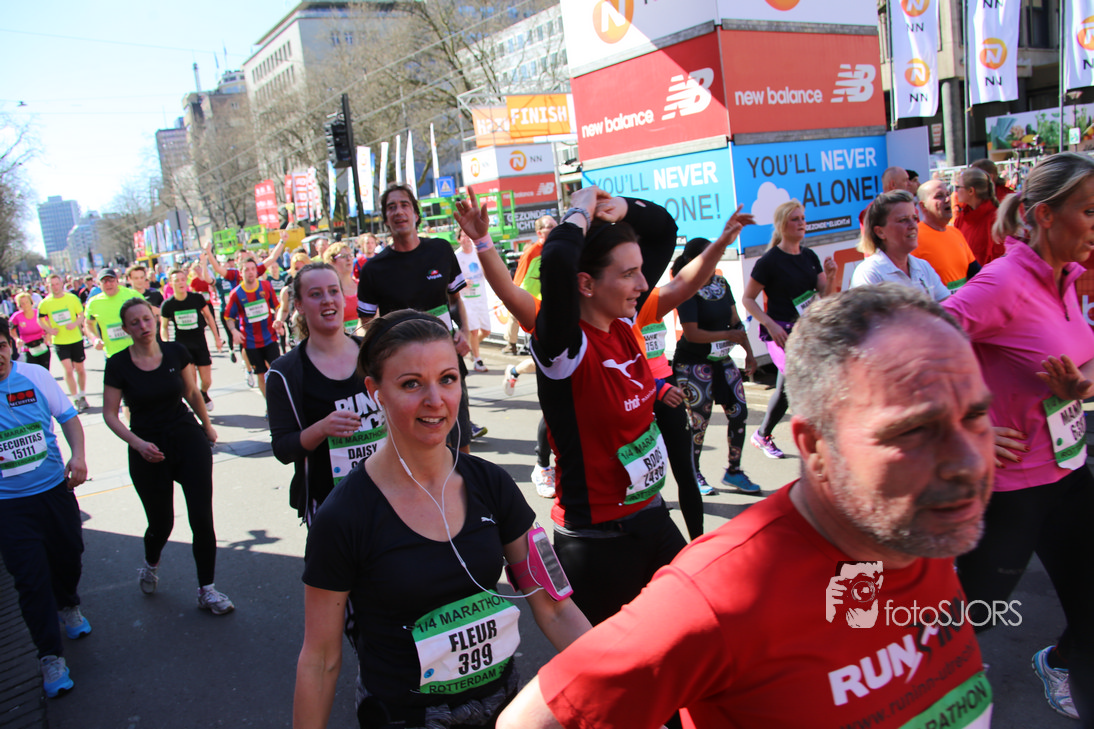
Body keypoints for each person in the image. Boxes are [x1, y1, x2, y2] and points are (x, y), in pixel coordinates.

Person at [497, 284, 995, 729]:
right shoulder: (721, 594)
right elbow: (532, 721)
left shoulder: (922, 528)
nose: (969, 461)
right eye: (914, 431)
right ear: (816, 448)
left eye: (975, 416)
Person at [293, 309, 591, 729]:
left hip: (503, 709)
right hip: (404, 717)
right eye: (411, 383)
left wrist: (621, 682)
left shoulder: (492, 484)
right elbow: (321, 659)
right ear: (375, 392)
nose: (435, 400)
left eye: (448, 379)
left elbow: (555, 608)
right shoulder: (344, 515)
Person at [943, 151, 1094, 722]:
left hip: (1069, 472)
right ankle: (906, 683)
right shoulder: (1002, 282)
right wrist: (968, 420)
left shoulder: (1066, 278)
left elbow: (1083, 358)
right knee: (974, 615)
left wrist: (1080, 386)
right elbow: (910, 344)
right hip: (1014, 490)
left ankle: (1060, 662)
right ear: (1045, 215)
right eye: (1089, 211)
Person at [526, 185, 686, 627]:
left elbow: (664, 230)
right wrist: (579, 210)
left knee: (697, 633)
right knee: (621, 663)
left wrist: (622, 207)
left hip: (651, 516)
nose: (643, 284)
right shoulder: (563, 346)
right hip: (596, 542)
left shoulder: (622, 320)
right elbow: (557, 260)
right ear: (586, 284)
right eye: (629, 273)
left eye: (641, 271)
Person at [102, 297, 233, 613]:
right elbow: (109, 414)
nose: (143, 326)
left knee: (201, 517)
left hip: (186, 439)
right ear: (126, 329)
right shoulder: (118, 364)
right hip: (148, 449)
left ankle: (207, 590)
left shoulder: (176, 351)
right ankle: (151, 564)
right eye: (135, 323)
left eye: (146, 319)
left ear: (154, 319)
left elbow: (191, 392)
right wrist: (137, 444)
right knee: (161, 524)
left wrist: (207, 426)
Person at [0, 317, 89, 698]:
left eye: (1, 346)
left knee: (69, 555)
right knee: (30, 580)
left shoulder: (34, 376)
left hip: (54, 491)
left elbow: (67, 417)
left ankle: (68, 603)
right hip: (9, 507)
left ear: (10, 345)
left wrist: (78, 456)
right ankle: (50, 655)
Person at [356, 183, 474, 453]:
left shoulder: (441, 250)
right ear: (386, 219)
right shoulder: (374, 269)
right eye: (391, 207)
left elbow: (456, 300)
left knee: (459, 444)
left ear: (416, 214)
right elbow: (366, 324)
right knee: (418, 448)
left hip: (446, 361)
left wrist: (464, 331)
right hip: (404, 373)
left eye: (404, 205)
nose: (399, 211)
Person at [268, 263, 383, 523]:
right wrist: (322, 428)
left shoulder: (375, 354)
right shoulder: (285, 373)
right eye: (315, 294)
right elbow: (283, 449)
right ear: (299, 305)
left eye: (333, 291)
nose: (327, 300)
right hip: (331, 506)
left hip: (390, 494)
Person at [741, 200, 835, 460]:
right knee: (798, 379)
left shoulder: (809, 256)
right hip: (780, 332)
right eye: (795, 219)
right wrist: (769, 324)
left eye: (803, 218)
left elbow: (825, 295)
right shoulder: (770, 261)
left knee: (785, 388)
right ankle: (817, 440)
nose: (802, 223)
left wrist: (831, 275)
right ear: (783, 225)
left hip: (806, 330)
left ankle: (762, 434)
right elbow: (748, 299)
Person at [671, 234, 760, 501]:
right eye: (710, 254)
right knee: (699, 422)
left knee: (739, 412)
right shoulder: (685, 288)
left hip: (722, 361)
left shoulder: (721, 283)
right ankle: (694, 473)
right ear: (694, 260)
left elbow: (735, 321)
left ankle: (734, 470)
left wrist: (749, 352)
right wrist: (727, 335)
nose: (716, 257)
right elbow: (692, 333)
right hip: (693, 365)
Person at [850, 190, 950, 301]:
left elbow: (948, 306)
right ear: (880, 232)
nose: (913, 225)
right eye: (903, 220)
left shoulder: (923, 267)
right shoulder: (870, 273)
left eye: (914, 218)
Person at [160, 267, 224, 410]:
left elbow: (209, 317)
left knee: (206, 381)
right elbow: (163, 327)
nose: (181, 283)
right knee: (191, 383)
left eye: (183, 280)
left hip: (200, 344)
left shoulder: (196, 298)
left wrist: (217, 338)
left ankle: (204, 393)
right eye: (177, 281)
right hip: (182, 347)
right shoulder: (168, 304)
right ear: (171, 284)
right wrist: (166, 344)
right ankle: (197, 408)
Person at [225, 258, 285, 402]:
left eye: (253, 269)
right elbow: (228, 317)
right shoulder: (236, 293)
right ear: (241, 273)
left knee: (278, 371)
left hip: (269, 337)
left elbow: (277, 307)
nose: (250, 272)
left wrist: (278, 321)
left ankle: (283, 402)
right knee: (261, 374)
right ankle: (270, 405)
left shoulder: (266, 286)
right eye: (246, 269)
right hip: (250, 342)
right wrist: (234, 331)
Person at [913, 180, 981, 289]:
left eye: (947, 194)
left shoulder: (956, 233)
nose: (948, 199)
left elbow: (975, 272)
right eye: (939, 196)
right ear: (923, 205)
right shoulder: (914, 238)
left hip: (962, 300)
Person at [38, 274, 88, 412]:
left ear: (61, 284)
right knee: (68, 369)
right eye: (52, 285)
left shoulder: (71, 298)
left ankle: (82, 394)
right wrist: (49, 330)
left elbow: (81, 314)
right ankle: (75, 398)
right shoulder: (45, 303)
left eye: (57, 284)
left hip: (75, 338)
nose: (55, 287)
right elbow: (40, 319)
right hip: (60, 341)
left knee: (80, 369)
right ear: (48, 286)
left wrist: (75, 324)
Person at [84, 268, 143, 359]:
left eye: (111, 280)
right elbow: (88, 323)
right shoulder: (93, 303)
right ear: (99, 284)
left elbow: (149, 317)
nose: (108, 284)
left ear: (117, 281)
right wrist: (94, 339)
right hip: (112, 354)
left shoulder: (132, 295)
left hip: (138, 351)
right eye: (104, 281)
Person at [454, 230, 492, 373]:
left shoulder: (478, 252)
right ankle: (478, 360)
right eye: (464, 236)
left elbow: (488, 270)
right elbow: (451, 278)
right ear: (459, 239)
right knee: (474, 331)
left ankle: (471, 348)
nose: (467, 238)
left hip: (481, 297)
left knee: (486, 331)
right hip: (466, 299)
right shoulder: (456, 257)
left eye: (469, 235)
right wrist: (463, 282)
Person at [954, 167, 1002, 266]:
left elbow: (1000, 258)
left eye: (958, 187)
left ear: (971, 191)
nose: (956, 191)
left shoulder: (996, 219)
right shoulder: (962, 218)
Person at [321, 242, 360, 335]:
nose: (348, 259)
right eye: (343, 256)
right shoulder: (327, 292)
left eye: (350, 255)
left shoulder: (362, 285)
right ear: (331, 262)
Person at [277, 251, 313, 351]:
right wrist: (279, 321)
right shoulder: (286, 291)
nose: (299, 271)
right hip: (296, 338)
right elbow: (284, 310)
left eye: (303, 268)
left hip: (315, 336)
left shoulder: (318, 289)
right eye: (296, 268)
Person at [11, 291, 51, 369]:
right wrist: (17, 339)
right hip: (28, 348)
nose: (25, 305)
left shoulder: (38, 313)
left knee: (44, 370)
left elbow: (48, 324)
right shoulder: (16, 316)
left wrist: (48, 335)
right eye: (22, 303)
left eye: (27, 302)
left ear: (31, 302)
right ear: (19, 305)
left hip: (42, 345)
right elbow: (12, 329)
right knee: (33, 371)